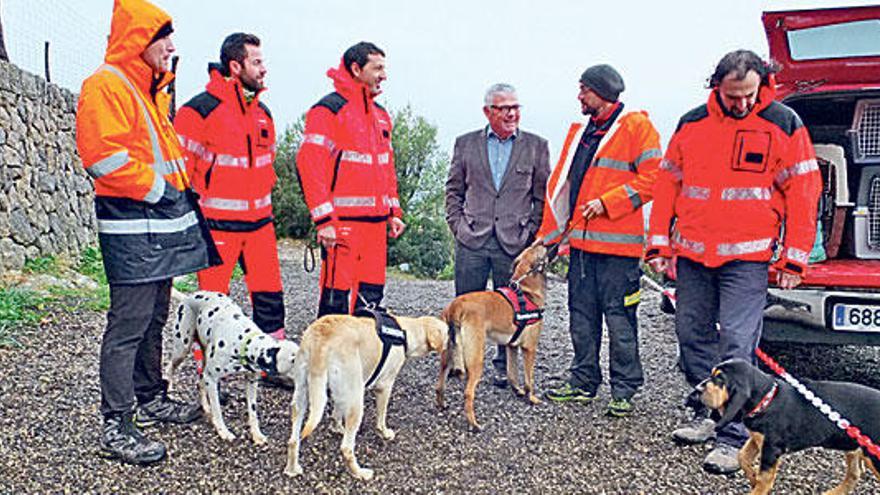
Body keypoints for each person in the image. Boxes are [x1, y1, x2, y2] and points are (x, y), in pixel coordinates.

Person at [645, 49, 821, 473]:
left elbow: (804, 191)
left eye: (749, 94)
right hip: (692, 255)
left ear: (762, 85)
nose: (741, 103)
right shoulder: (691, 124)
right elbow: (668, 184)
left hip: (747, 259)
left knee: (738, 346)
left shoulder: (783, 123)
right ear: (716, 87)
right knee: (691, 337)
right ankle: (709, 414)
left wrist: (794, 260)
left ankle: (734, 435)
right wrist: (658, 244)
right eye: (732, 95)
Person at [76, 0, 214, 465]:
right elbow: (102, 157)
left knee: (153, 317)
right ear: (140, 41)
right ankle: (116, 423)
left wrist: (176, 194)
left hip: (159, 226)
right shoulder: (105, 85)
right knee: (129, 324)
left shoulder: (150, 89)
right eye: (164, 38)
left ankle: (151, 396)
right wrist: (161, 191)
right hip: (132, 225)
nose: (172, 48)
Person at [540, 64, 661, 417]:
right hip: (581, 248)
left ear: (602, 92)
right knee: (581, 318)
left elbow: (654, 179)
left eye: (584, 90)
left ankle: (624, 391)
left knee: (620, 320)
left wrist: (608, 202)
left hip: (619, 251)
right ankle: (582, 383)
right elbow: (562, 189)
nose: (579, 96)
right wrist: (550, 239)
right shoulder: (580, 131)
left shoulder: (637, 127)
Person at [175, 33, 285, 341]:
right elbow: (180, 175)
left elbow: (267, 167)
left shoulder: (264, 114)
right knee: (211, 303)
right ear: (235, 66)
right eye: (257, 62)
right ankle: (206, 372)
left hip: (261, 227)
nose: (264, 69)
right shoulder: (198, 111)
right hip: (216, 227)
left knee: (270, 299)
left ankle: (271, 362)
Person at [445, 83, 550, 387]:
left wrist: (531, 233)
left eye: (516, 107)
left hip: (514, 243)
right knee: (465, 302)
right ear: (487, 111)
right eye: (504, 108)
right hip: (472, 239)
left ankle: (506, 367)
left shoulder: (536, 145)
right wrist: (458, 226)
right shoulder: (465, 144)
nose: (511, 113)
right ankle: (458, 361)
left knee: (513, 307)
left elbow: (541, 197)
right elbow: (453, 189)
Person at [296, 41, 405, 316]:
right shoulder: (328, 110)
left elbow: (386, 168)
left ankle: (365, 356)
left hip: (375, 227)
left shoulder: (380, 116)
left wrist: (394, 212)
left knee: (371, 299)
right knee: (335, 300)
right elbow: (310, 166)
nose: (384, 75)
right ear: (356, 69)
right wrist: (323, 221)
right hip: (342, 225)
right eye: (377, 68)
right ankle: (329, 357)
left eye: (385, 68)